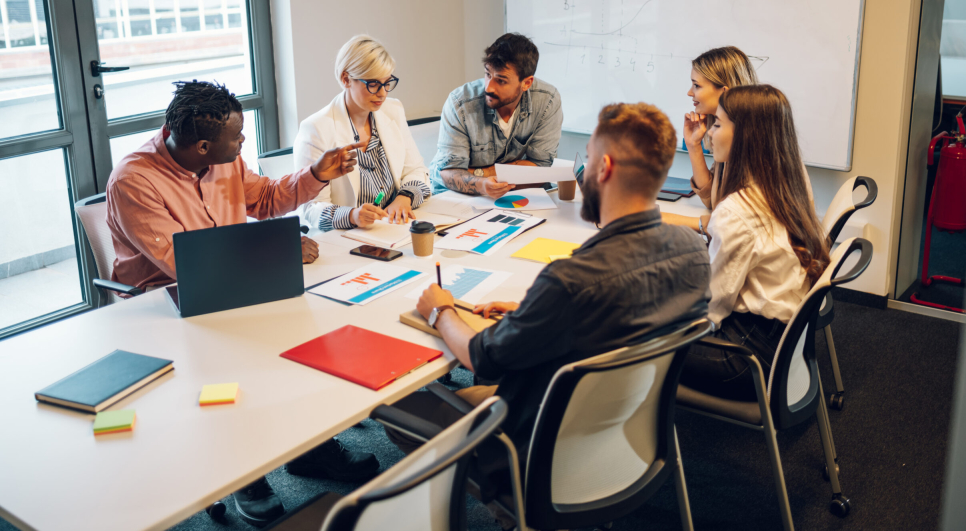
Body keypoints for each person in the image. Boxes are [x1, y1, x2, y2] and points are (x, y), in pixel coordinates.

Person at [398, 102, 710, 524]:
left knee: (406, 415)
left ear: (606, 169)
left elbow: (481, 358)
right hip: (624, 439)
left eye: (587, 162)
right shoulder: (693, 252)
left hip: (534, 454)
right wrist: (533, 313)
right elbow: (622, 317)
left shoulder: (570, 281)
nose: (580, 174)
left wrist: (441, 312)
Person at [104, 80, 380, 527]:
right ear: (202, 145)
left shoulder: (222, 159)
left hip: (233, 285)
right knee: (234, 360)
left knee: (305, 336)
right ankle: (242, 476)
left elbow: (267, 200)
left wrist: (318, 174)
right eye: (237, 137)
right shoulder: (134, 180)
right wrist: (277, 251)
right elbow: (183, 262)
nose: (244, 142)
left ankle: (311, 448)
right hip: (166, 303)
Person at [678, 84, 830, 401]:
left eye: (717, 124)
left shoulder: (737, 212)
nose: (710, 133)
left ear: (746, 135)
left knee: (627, 335)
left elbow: (712, 310)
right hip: (782, 344)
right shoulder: (782, 185)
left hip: (747, 356)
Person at [294, 35, 431, 231]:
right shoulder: (316, 129)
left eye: (387, 82)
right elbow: (310, 207)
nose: (383, 93)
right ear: (346, 79)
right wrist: (352, 216)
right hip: (347, 237)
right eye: (373, 84)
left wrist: (405, 197)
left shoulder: (393, 110)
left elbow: (417, 170)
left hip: (394, 228)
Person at [429, 33, 563, 198]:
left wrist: (481, 173)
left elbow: (541, 169)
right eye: (487, 74)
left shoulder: (547, 101)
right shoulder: (460, 104)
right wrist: (482, 185)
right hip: (456, 197)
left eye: (501, 81)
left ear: (526, 83)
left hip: (509, 196)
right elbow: (448, 173)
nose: (489, 87)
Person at [662, 46, 760, 235]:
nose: (690, 93)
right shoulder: (727, 134)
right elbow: (713, 201)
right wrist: (693, 145)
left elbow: (730, 224)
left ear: (724, 92)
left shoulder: (751, 144)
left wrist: (664, 220)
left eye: (696, 85)